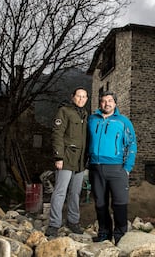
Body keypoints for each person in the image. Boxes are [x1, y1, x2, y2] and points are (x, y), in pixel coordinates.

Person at [87, 90, 137, 244]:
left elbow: (132, 144)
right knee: (100, 204)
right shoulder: (92, 120)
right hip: (95, 168)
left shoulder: (123, 121)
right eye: (103, 100)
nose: (106, 103)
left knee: (119, 204)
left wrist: (127, 168)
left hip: (117, 168)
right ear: (99, 103)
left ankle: (120, 236)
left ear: (115, 103)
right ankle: (104, 234)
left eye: (110, 100)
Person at [45, 87, 89, 237]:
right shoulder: (64, 111)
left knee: (75, 193)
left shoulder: (85, 114)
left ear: (87, 99)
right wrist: (58, 157)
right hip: (66, 158)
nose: (81, 99)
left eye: (84, 97)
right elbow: (57, 134)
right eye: (79, 96)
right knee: (60, 192)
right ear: (73, 97)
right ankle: (54, 224)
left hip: (80, 161)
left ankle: (73, 221)